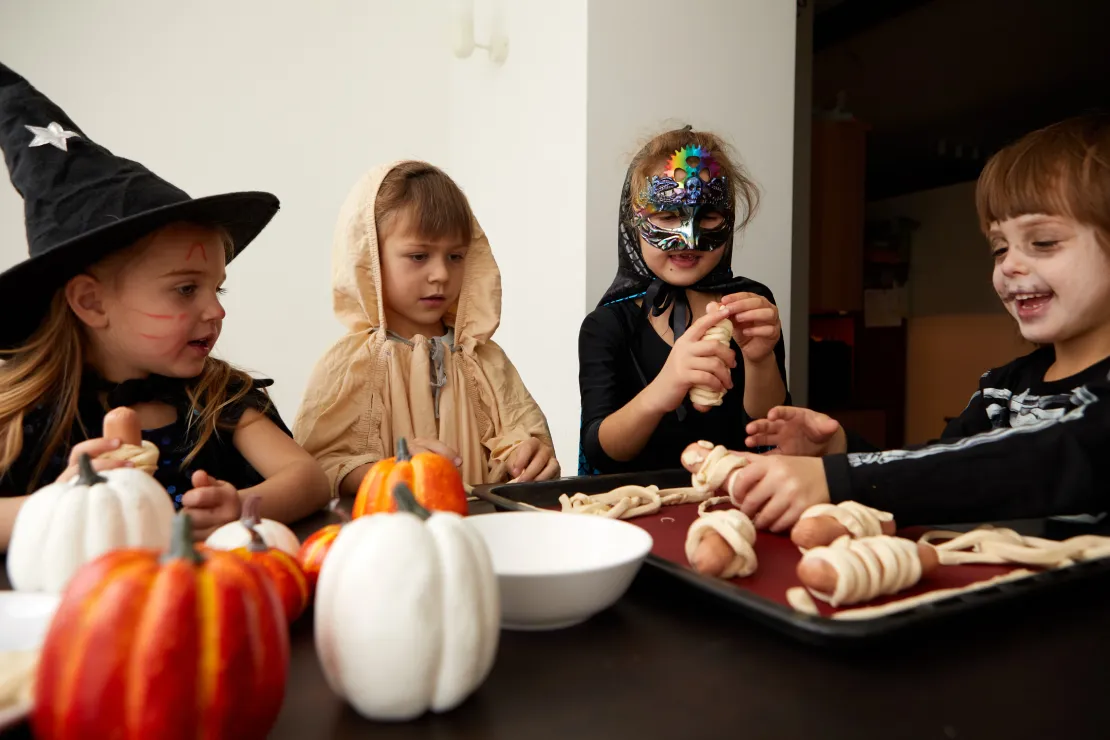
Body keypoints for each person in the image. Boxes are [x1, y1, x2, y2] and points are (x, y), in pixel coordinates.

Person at [685, 114, 1110, 530]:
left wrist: (837, 478)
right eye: (1000, 248)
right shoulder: (1002, 389)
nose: (1010, 265)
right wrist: (839, 448)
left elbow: (1034, 460)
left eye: (1043, 242)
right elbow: (940, 470)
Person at [0, 62, 330, 549]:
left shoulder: (217, 397)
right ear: (91, 302)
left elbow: (309, 479)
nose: (216, 312)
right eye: (185, 289)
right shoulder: (22, 415)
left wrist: (240, 506)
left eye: (217, 289)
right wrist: (60, 506)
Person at [294, 161, 557, 494]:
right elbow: (321, 468)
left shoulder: (486, 359)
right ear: (369, 260)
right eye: (419, 256)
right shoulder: (350, 364)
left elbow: (522, 436)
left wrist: (529, 456)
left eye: (455, 257)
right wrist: (393, 471)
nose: (441, 275)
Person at [578, 127, 789, 475]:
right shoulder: (606, 326)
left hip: (734, 494)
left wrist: (760, 359)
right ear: (634, 222)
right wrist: (664, 387)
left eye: (708, 216)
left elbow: (768, 430)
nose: (689, 238)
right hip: (641, 501)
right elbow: (601, 451)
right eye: (666, 216)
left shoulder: (751, 305)